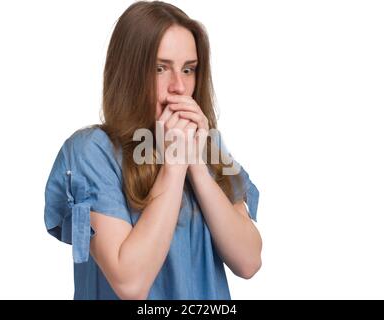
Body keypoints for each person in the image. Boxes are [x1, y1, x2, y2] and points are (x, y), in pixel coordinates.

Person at [44, 0, 262, 300]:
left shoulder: (208, 146)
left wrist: (196, 164)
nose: (179, 87)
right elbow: (130, 284)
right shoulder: (91, 152)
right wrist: (173, 167)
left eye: (188, 69)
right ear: (129, 73)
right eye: (161, 68)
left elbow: (249, 261)